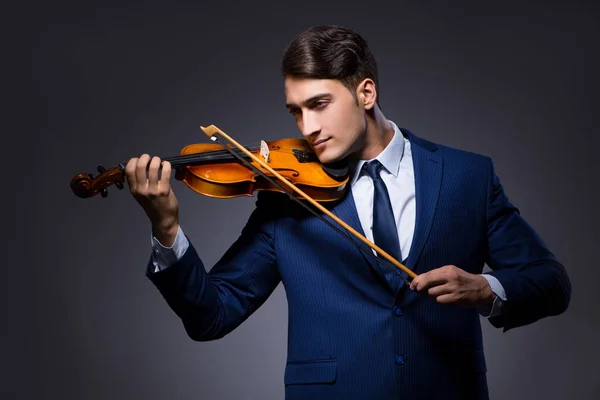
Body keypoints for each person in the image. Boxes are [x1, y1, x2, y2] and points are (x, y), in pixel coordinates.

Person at [124, 25, 571, 400]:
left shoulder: (467, 176)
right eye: (295, 112)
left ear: (366, 92)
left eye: (319, 105)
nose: (307, 128)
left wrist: (486, 289)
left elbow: (551, 282)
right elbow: (211, 316)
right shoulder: (285, 196)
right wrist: (166, 228)